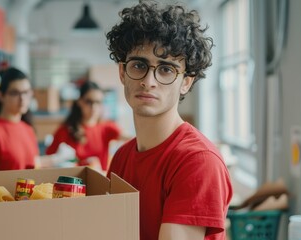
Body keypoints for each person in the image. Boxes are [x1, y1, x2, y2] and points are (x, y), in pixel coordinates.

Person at [106, 2, 232, 240]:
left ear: (186, 82)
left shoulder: (198, 161)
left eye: (166, 70)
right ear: (122, 72)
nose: (149, 81)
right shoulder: (122, 157)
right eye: (139, 65)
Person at [45, 80, 124, 172]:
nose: (93, 107)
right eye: (89, 102)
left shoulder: (107, 127)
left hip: (100, 182)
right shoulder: (65, 130)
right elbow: (48, 161)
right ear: (80, 102)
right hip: (73, 183)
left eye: (98, 102)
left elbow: (131, 139)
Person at [0, 67, 40, 171]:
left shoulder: (28, 129)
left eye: (26, 92)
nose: (22, 98)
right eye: (15, 93)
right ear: (1, 96)